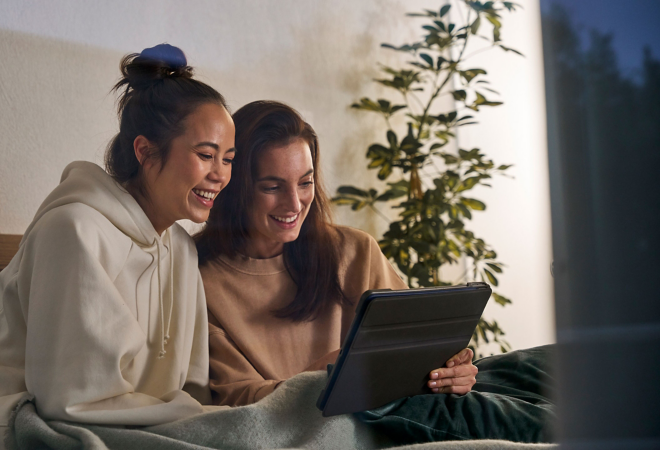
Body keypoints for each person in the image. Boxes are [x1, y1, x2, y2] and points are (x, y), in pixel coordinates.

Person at [196, 100, 554, 444]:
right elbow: (233, 400)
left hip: (419, 392)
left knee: (556, 361)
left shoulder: (353, 250)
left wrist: (454, 366)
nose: (294, 203)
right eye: (272, 187)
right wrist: (327, 371)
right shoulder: (201, 281)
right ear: (235, 187)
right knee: (554, 419)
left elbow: (419, 342)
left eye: (305, 183)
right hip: (374, 411)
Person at [0, 44, 235, 449]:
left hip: (135, 422)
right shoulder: (74, 230)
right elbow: (72, 400)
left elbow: (192, 389)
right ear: (145, 152)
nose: (220, 175)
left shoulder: (182, 251)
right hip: (10, 422)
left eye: (228, 159)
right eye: (206, 155)